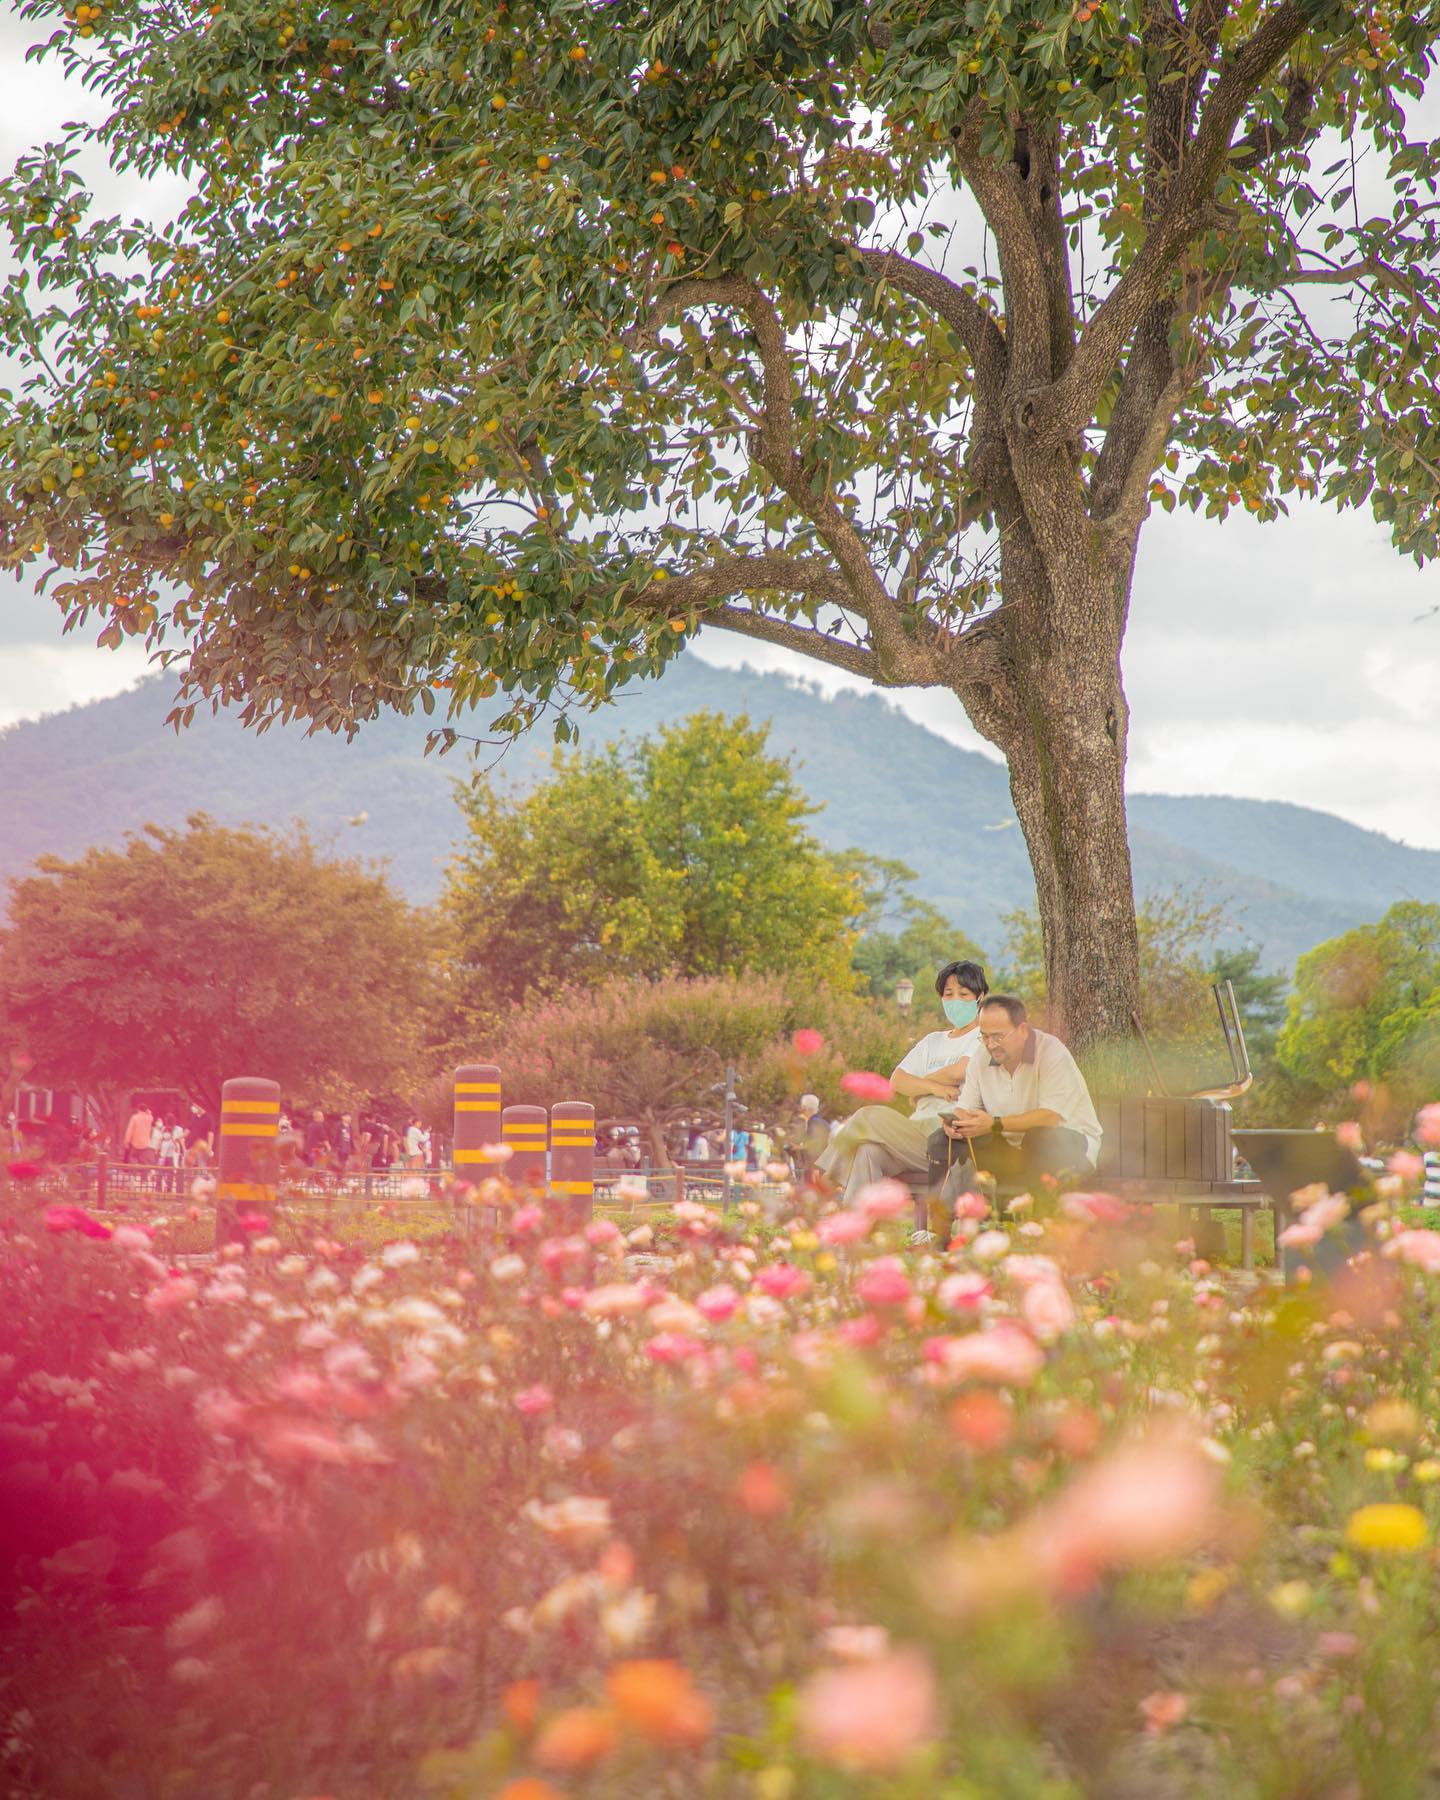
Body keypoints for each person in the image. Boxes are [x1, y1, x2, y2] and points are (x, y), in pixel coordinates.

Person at [817, 959, 988, 1204]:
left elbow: (958, 1071)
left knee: (868, 1116)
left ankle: (821, 1185)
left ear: (979, 997)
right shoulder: (933, 1040)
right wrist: (933, 1088)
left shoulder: (983, 1036)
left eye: (964, 994)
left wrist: (917, 1086)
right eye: (949, 994)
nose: (955, 1001)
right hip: (912, 1134)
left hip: (947, 1139)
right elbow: (897, 1081)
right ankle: (855, 1234)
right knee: (868, 1152)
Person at [931, 994, 1102, 1207]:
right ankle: (941, 1230)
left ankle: (1041, 1228)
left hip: (1069, 1148)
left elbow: (1050, 1116)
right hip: (1011, 1151)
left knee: (1040, 1138)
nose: (990, 1045)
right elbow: (966, 1108)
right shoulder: (980, 1057)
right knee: (941, 1140)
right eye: (984, 1036)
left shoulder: (1050, 1051)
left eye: (998, 1036)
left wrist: (993, 1123)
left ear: (1022, 1030)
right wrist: (956, 1123)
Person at [787, 1093, 830, 1177]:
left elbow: (817, 1142)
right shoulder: (821, 1121)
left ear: (805, 1107)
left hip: (816, 1165)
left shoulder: (814, 1122)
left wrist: (799, 1147)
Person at [121, 1100, 154, 1165]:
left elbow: (130, 1130)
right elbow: (150, 1114)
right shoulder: (149, 1118)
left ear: (138, 1109)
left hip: (135, 1143)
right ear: (146, 1110)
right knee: (144, 1161)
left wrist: (126, 1142)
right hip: (146, 1144)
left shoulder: (135, 1118)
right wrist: (148, 1111)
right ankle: (143, 1173)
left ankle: (135, 1170)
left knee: (133, 1158)